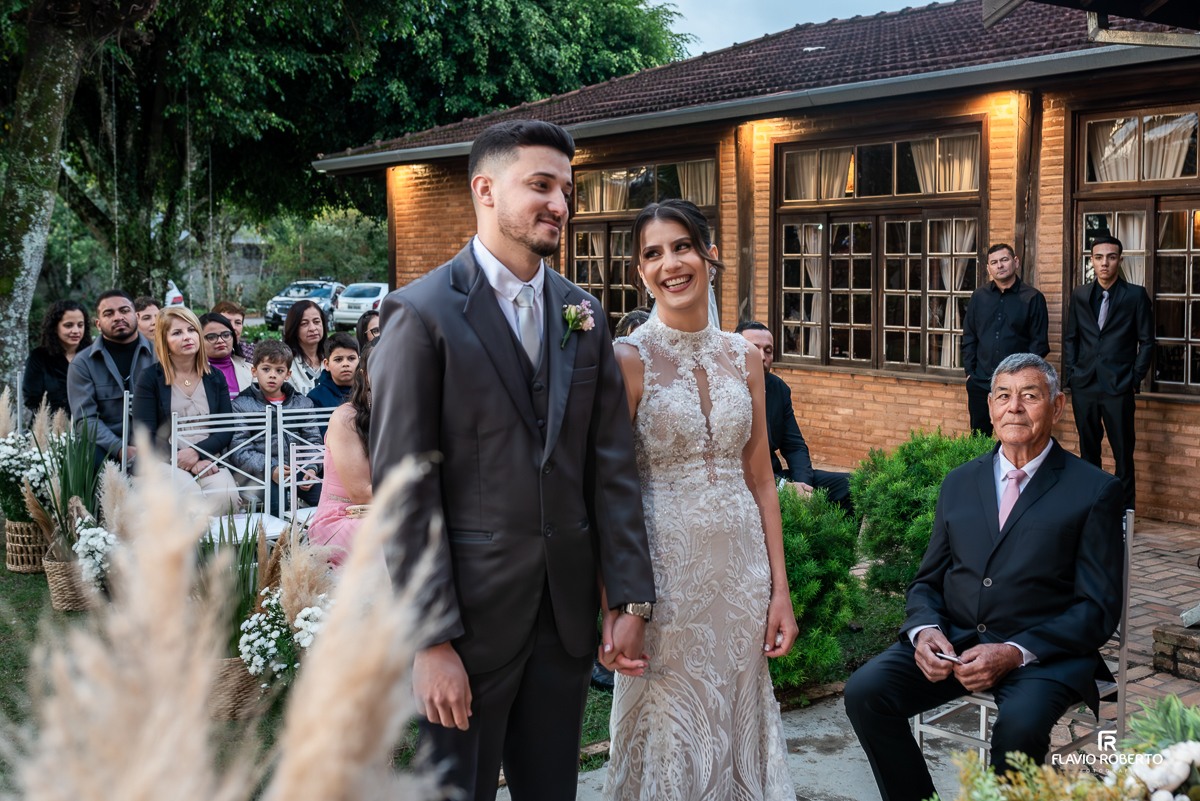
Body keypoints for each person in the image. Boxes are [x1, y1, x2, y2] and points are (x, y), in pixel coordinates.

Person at [369, 119, 656, 801]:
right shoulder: (421, 314)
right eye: (540, 184)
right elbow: (406, 492)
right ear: (486, 190)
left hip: (563, 619)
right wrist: (431, 639)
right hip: (466, 623)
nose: (559, 202)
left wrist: (630, 596)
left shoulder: (583, 314)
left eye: (565, 187)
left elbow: (610, 468)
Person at [844, 353, 1125, 800]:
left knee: (1017, 732)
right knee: (865, 693)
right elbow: (927, 580)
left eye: (1030, 396)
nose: (1015, 407)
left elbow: (1098, 608)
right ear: (990, 407)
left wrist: (1014, 652)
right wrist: (925, 631)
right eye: (1003, 396)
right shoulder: (958, 482)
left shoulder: (1094, 490)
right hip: (955, 642)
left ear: (1057, 406)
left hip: (1041, 656)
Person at [605, 199, 798, 800]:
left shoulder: (744, 357)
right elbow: (610, 492)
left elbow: (761, 476)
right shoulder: (628, 360)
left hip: (742, 573)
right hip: (665, 580)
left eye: (682, 246)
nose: (670, 264)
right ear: (640, 272)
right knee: (672, 722)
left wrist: (780, 591)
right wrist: (622, 605)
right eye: (653, 254)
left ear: (709, 254)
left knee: (739, 708)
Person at [1063, 234, 1153, 510]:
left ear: (1120, 260)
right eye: (1099, 257)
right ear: (1091, 260)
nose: (1105, 263)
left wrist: (1134, 379)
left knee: (1123, 453)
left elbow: (1147, 341)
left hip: (1119, 386)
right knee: (1088, 451)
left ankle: (1125, 515)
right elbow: (1071, 338)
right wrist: (1071, 374)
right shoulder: (1079, 295)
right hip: (1085, 385)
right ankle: (1093, 510)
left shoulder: (1135, 295)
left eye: (1111, 257)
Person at [736, 320, 853, 515]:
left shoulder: (779, 389)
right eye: (754, 349)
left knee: (850, 485)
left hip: (776, 475)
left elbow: (795, 446)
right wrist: (783, 487)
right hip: (743, 482)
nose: (762, 357)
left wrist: (803, 487)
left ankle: (832, 545)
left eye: (768, 350)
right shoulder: (720, 392)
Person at [131, 307, 241, 513]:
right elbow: (145, 434)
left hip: (207, 456)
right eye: (177, 332)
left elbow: (226, 429)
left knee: (226, 496)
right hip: (162, 460)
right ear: (164, 342)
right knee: (188, 495)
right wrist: (184, 459)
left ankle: (218, 547)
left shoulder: (215, 377)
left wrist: (198, 454)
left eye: (191, 330)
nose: (187, 337)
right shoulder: (149, 378)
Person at [961, 244, 1050, 436]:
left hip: (1016, 387)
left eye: (1004, 260)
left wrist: (1023, 379)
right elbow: (969, 336)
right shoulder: (979, 297)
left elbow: (1039, 345)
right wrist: (970, 373)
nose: (999, 265)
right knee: (979, 438)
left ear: (1015, 262)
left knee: (1016, 436)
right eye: (994, 262)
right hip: (980, 382)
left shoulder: (1033, 298)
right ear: (988, 268)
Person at [229, 339, 321, 517]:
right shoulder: (241, 405)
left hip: (299, 470)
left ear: (288, 374)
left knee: (324, 496)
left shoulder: (302, 403)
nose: (272, 375)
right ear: (254, 371)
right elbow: (239, 449)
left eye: (279, 370)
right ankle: (279, 543)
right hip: (261, 473)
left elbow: (313, 440)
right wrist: (272, 468)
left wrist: (311, 467)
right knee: (276, 504)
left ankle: (312, 541)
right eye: (266, 369)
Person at [67, 289, 157, 467]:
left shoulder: (160, 355)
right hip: (104, 446)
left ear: (136, 316)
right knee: (88, 456)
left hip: (153, 440)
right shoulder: (82, 363)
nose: (118, 317)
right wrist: (119, 447)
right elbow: (85, 420)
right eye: (109, 314)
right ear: (98, 324)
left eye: (124, 311)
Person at [307, 341, 375, 566]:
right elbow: (362, 494)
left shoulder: (408, 413)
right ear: (365, 374)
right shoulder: (346, 417)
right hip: (342, 517)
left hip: (388, 510)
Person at [23, 299, 92, 414]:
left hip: (89, 427)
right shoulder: (39, 357)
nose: (76, 331)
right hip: (49, 428)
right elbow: (32, 400)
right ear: (55, 327)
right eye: (68, 325)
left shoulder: (93, 355)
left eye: (80, 325)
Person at [199, 312, 253, 398]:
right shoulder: (191, 372)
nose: (220, 340)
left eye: (226, 335)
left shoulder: (251, 370)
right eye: (211, 337)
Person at [282, 299, 326, 395]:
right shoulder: (285, 362)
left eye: (316, 321)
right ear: (294, 328)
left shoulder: (333, 359)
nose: (312, 328)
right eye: (304, 324)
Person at [306, 333, 359, 410]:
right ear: (327, 364)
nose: (345, 364)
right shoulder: (316, 397)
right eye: (338, 359)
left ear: (360, 361)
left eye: (351, 358)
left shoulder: (369, 391)